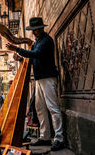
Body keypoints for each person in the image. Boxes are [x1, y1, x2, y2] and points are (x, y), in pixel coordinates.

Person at [6, 17, 64, 151]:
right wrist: (20, 59)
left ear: (41, 28)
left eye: (35, 30)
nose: (33, 33)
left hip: (48, 78)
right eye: (32, 30)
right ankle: (45, 136)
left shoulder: (46, 41)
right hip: (39, 79)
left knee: (53, 108)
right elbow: (33, 60)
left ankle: (59, 138)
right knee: (40, 108)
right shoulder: (38, 41)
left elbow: (36, 54)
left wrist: (18, 49)